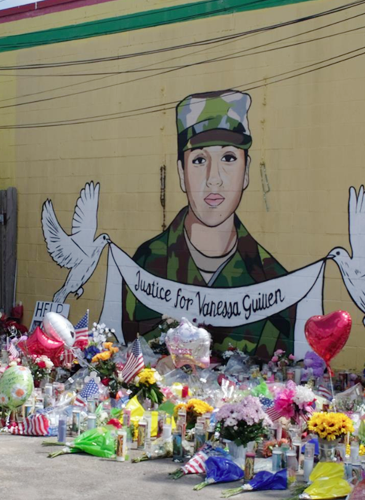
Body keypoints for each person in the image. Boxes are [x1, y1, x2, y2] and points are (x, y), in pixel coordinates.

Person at [121, 90, 294, 361]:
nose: (214, 179)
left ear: (246, 171)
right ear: (181, 174)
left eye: (228, 158)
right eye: (199, 160)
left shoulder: (272, 281)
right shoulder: (146, 265)